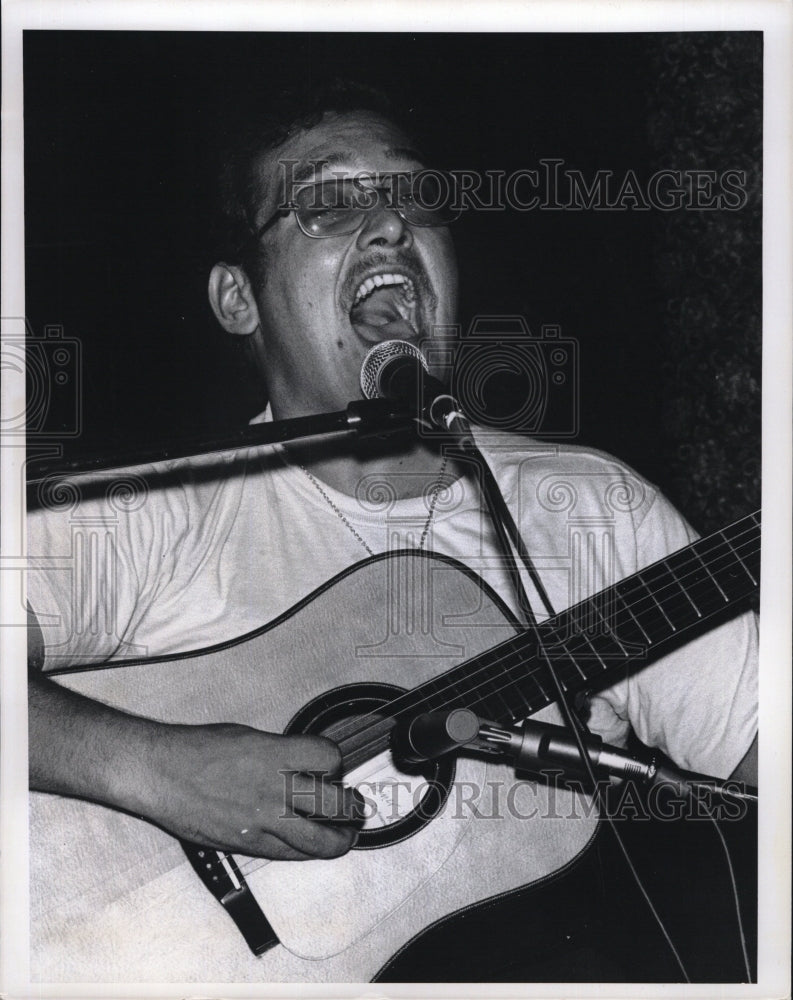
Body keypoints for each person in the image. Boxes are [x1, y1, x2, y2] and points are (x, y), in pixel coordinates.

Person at [27, 83, 757, 980]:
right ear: (237, 300)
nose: (389, 227)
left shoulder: (593, 511)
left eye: (416, 198)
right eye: (329, 205)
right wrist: (156, 770)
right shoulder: (159, 508)